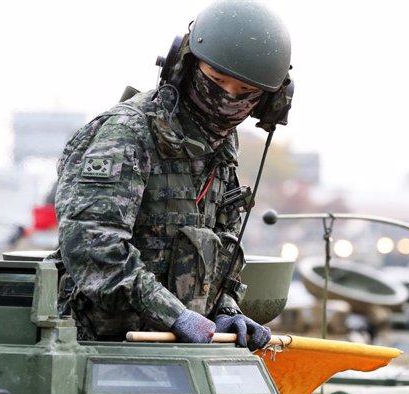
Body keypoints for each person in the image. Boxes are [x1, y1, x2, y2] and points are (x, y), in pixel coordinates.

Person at [45, 0, 293, 349]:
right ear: (184, 66)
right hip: (94, 349)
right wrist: (174, 315)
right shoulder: (127, 134)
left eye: (245, 93)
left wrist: (225, 308)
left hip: (176, 354)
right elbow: (92, 246)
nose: (226, 98)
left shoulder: (220, 150)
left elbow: (215, 249)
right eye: (217, 80)